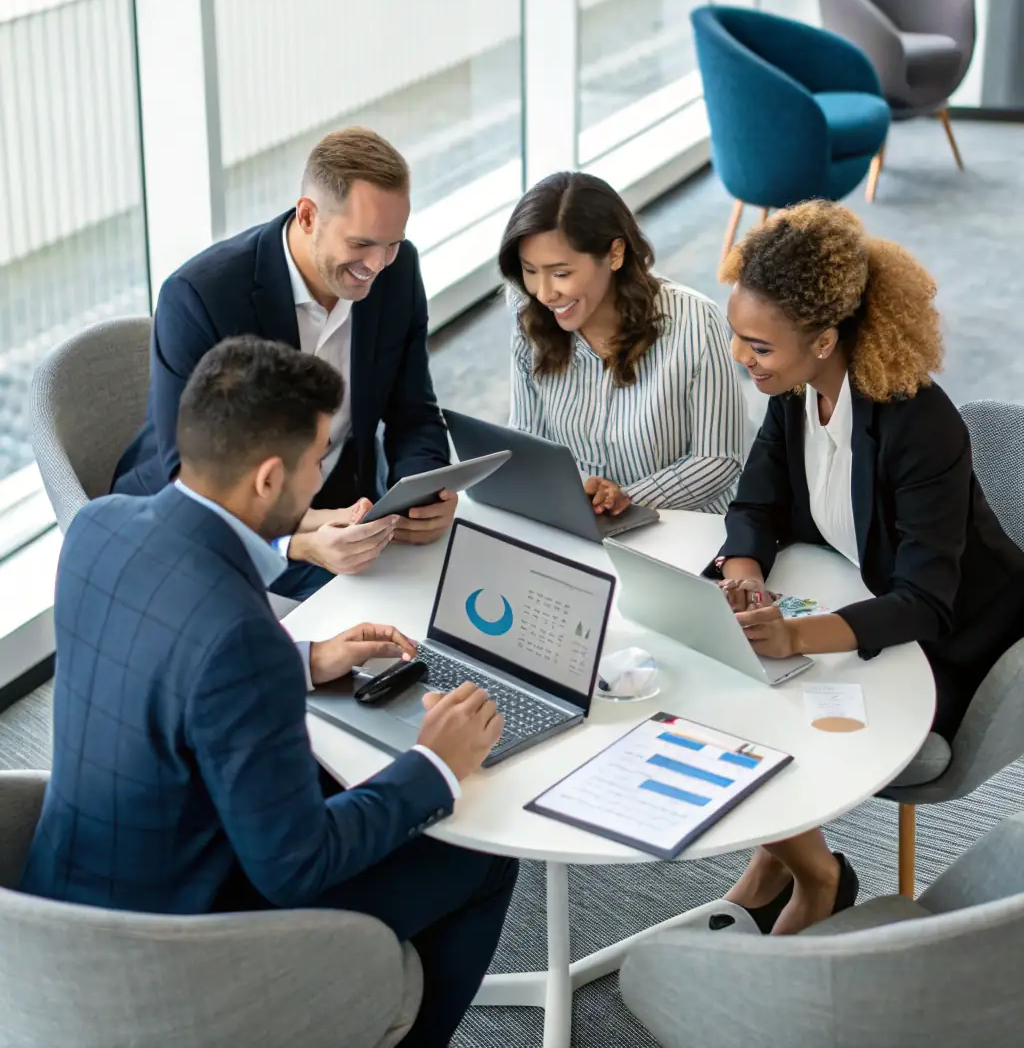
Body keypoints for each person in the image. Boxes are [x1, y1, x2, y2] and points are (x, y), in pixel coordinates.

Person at [23, 337, 517, 1048]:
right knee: (478, 852)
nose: (323, 476)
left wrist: (308, 658)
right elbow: (296, 866)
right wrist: (434, 763)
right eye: (318, 458)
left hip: (63, 904)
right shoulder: (238, 635)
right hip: (178, 950)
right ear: (265, 478)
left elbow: (169, 658)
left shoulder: (98, 528)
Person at [712, 200, 1024, 935]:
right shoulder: (794, 391)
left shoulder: (922, 425)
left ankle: (816, 876)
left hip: (957, 645)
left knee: (780, 694)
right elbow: (756, 500)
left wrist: (796, 635)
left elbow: (924, 601)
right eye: (738, 336)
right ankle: (781, 857)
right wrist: (744, 570)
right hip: (861, 594)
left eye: (758, 345)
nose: (740, 357)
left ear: (823, 339)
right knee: (728, 673)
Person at [113, 127, 455, 600]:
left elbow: (413, 412)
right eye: (361, 244)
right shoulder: (201, 297)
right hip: (211, 524)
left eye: (392, 242)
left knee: (446, 587)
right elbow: (193, 484)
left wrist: (420, 495)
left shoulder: (397, 271)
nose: (378, 265)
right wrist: (297, 541)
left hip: (344, 504)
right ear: (309, 216)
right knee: (377, 623)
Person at [498, 171, 744, 516]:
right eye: (530, 270)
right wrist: (581, 491)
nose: (544, 292)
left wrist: (628, 497)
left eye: (561, 273)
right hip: (582, 520)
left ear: (615, 254)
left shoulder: (694, 320)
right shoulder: (528, 310)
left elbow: (719, 459)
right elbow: (528, 433)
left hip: (682, 528)